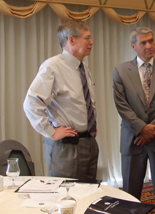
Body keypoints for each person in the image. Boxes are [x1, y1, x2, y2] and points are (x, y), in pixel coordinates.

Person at [112, 27, 155, 214]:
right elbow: (121, 105)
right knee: (130, 192)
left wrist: (150, 130)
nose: (149, 46)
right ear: (133, 46)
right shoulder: (121, 71)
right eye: (143, 43)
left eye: (151, 41)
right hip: (133, 139)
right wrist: (141, 128)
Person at [23, 20, 99, 180]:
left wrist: (89, 126)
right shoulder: (53, 67)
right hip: (66, 147)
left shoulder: (83, 68)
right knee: (66, 198)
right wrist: (51, 132)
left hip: (89, 144)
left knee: (89, 197)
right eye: (87, 38)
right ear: (71, 40)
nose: (91, 42)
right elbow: (31, 103)